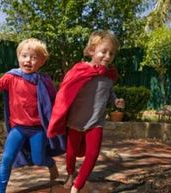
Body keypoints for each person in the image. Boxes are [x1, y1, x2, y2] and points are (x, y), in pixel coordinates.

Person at [0, 38, 65, 193]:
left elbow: (56, 102)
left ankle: (50, 164)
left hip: (38, 129)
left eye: (34, 57)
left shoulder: (44, 81)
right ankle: (0, 190)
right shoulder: (11, 77)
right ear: (18, 57)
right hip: (18, 128)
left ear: (42, 62)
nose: (28, 60)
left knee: (38, 159)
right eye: (25, 55)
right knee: (7, 159)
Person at [47, 30, 125, 193]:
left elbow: (108, 91)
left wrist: (115, 100)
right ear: (91, 51)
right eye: (103, 51)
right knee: (71, 154)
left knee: (93, 153)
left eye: (111, 53)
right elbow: (67, 89)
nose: (107, 56)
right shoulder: (80, 70)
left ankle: (77, 185)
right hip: (76, 121)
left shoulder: (109, 76)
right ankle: (70, 174)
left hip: (96, 122)